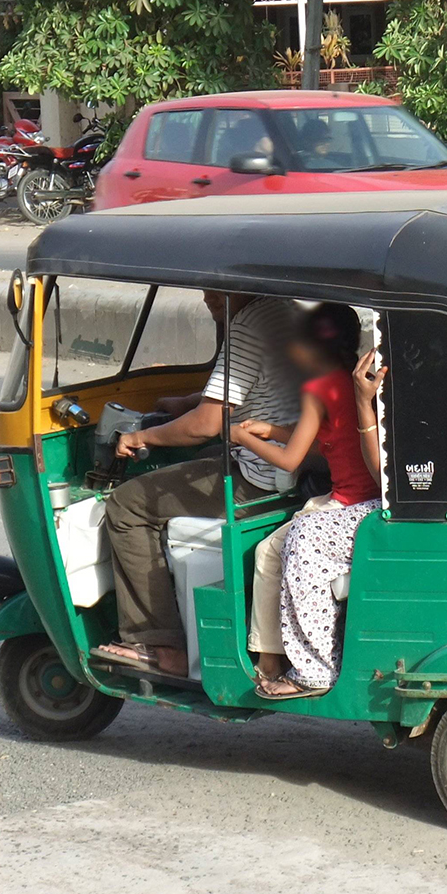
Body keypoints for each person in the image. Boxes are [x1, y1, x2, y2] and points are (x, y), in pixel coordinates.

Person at [95, 291, 300, 678]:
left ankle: (160, 645)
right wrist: (188, 402)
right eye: (205, 288)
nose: (208, 298)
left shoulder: (248, 326)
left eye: (216, 288)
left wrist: (142, 439)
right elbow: (238, 392)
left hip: (256, 478)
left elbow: (208, 424)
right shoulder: (286, 309)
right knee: (187, 464)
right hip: (287, 472)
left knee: (127, 505)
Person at [225, 304, 378, 684]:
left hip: (346, 503)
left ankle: (271, 661)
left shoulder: (317, 388)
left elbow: (292, 459)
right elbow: (327, 441)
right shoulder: (349, 379)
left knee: (267, 553)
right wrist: (273, 430)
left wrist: (240, 435)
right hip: (366, 499)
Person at [258, 345, 386, 700]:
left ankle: (313, 668)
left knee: (301, 539)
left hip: (385, 506)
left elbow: (380, 474)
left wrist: (364, 403)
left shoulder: (328, 387)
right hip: (379, 501)